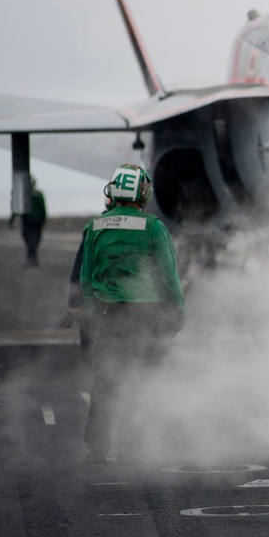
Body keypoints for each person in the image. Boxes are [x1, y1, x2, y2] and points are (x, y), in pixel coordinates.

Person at [80, 164, 184, 464]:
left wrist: (97, 315)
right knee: (138, 383)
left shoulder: (95, 227)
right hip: (147, 318)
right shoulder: (153, 227)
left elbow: (87, 280)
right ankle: (130, 449)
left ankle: (97, 450)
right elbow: (168, 277)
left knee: (106, 384)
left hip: (111, 317)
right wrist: (177, 313)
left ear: (113, 191)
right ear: (144, 193)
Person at [9, 176, 46, 266]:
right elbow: (43, 208)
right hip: (37, 220)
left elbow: (16, 209)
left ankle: (31, 257)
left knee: (29, 239)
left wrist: (12, 219)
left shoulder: (22, 194)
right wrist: (44, 219)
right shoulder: (37, 194)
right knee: (34, 239)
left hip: (28, 220)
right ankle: (32, 256)